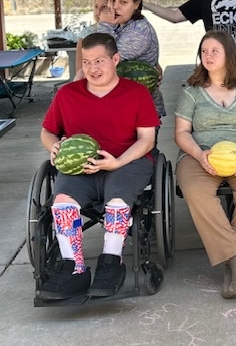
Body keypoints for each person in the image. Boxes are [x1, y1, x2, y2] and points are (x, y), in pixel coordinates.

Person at [38, 33, 159, 300]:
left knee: (117, 201)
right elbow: (47, 132)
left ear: (115, 59)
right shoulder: (67, 94)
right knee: (62, 201)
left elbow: (147, 139)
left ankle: (111, 263)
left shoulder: (136, 93)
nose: (93, 68)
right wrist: (53, 147)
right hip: (81, 167)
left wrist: (118, 161)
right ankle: (74, 268)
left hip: (127, 161)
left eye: (100, 61)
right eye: (87, 61)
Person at [175, 30, 236, 299]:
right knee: (196, 191)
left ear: (229, 53)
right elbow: (181, 132)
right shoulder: (192, 89)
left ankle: (235, 260)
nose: (208, 56)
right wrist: (199, 154)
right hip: (202, 153)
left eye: (214, 50)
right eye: (204, 51)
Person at [88, 0, 165, 119]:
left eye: (123, 2)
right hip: (122, 105)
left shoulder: (139, 30)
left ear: (136, 4)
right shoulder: (120, 24)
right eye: (112, 1)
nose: (115, 7)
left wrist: (105, 24)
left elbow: (104, 57)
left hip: (139, 111)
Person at [73, 0, 109, 81]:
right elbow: (80, 71)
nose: (98, 12)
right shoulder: (86, 34)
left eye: (104, 7)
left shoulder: (125, 33)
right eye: (96, 6)